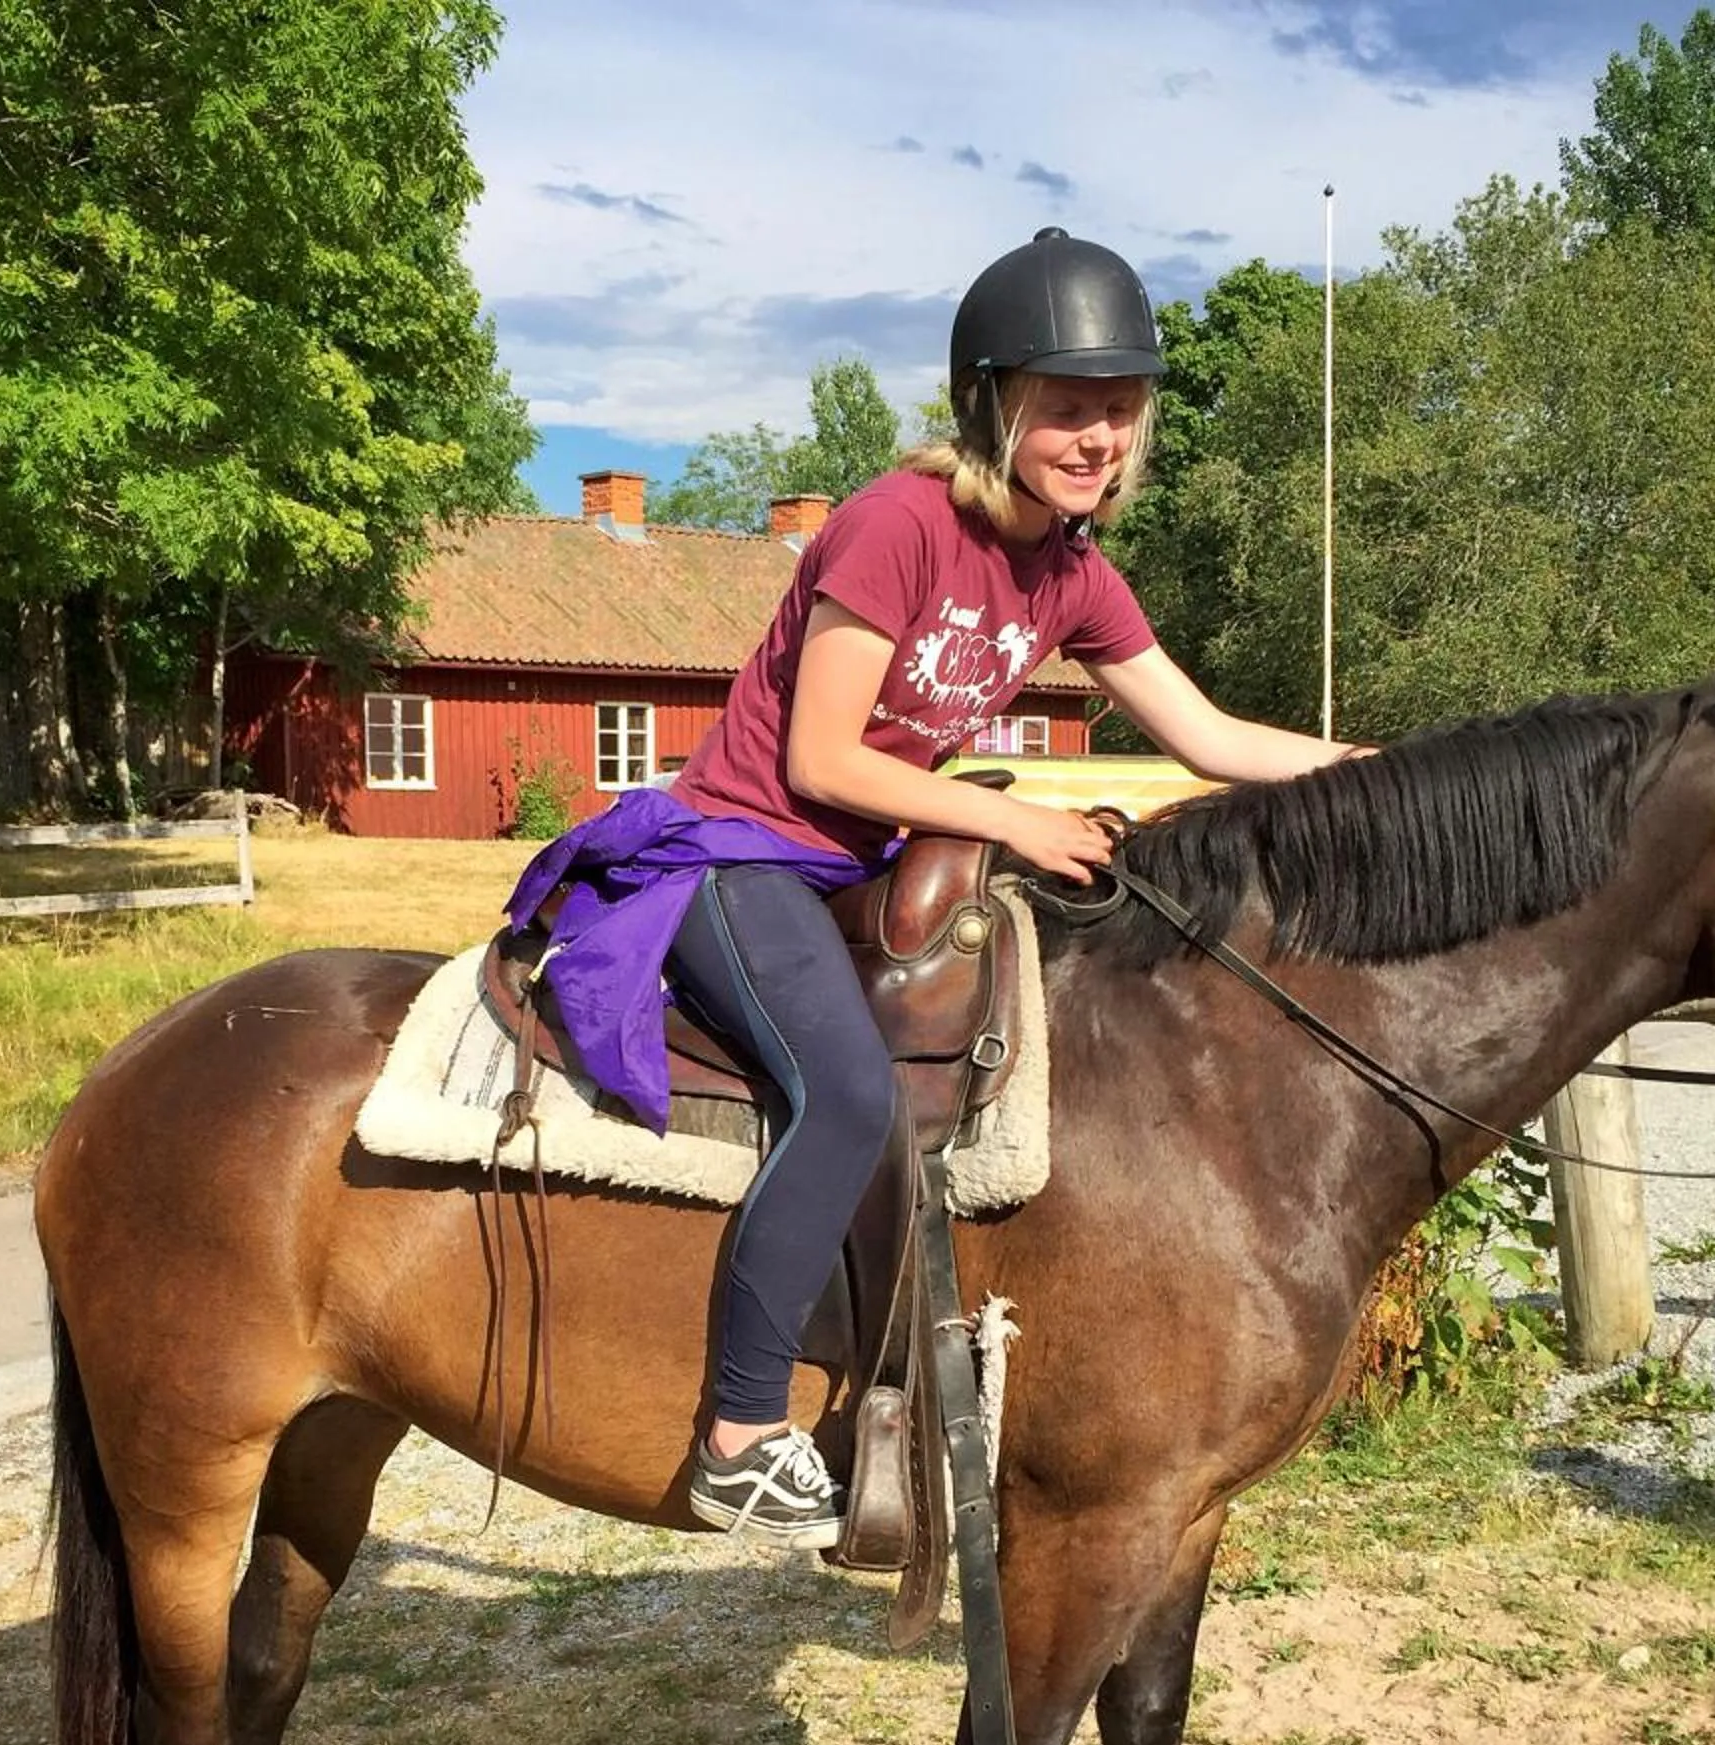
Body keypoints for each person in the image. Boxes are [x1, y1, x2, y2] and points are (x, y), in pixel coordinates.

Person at [504, 227, 1360, 1549]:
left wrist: (1386, 774)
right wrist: (1018, 816)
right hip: (740, 848)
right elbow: (820, 756)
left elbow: (1210, 736)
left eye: (1120, 409)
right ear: (995, 404)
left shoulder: (1072, 572)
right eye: (1068, 406)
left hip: (858, 862)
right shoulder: (895, 525)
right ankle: (738, 1431)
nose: (1100, 437)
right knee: (846, 1090)